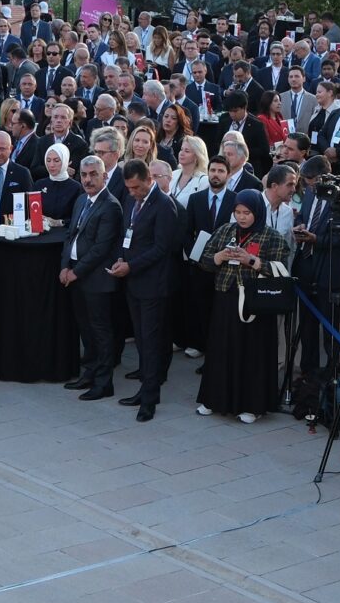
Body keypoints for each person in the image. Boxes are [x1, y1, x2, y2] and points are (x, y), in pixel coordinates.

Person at [195, 188, 291, 422]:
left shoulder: (271, 236)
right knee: (221, 350)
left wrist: (252, 261)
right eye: (237, 212)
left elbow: (280, 270)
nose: (242, 217)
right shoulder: (225, 231)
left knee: (252, 353)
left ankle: (252, 405)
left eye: (246, 212)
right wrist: (220, 257)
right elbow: (203, 260)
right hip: (226, 298)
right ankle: (214, 400)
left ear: (257, 212)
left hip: (255, 303)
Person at [114, 158, 180, 421]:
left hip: (153, 284)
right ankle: (144, 389)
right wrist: (121, 258)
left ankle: (150, 398)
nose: (132, 193)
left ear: (149, 180)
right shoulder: (132, 201)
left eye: (137, 188)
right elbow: (127, 235)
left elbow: (161, 248)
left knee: (151, 341)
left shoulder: (164, 205)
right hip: (134, 282)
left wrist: (131, 265)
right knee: (141, 340)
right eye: (129, 188)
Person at [61, 154, 123, 400]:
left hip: (96, 279)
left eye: (93, 174)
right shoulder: (81, 200)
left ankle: (103, 383)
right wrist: (65, 265)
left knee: (101, 332)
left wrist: (75, 272)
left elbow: (101, 248)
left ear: (104, 175)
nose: (87, 179)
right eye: (84, 175)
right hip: (76, 274)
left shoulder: (111, 205)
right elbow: (70, 235)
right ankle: (89, 373)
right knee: (85, 329)